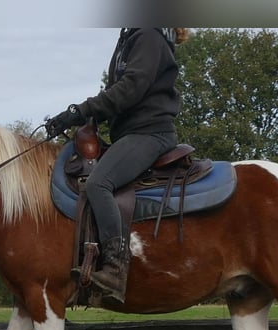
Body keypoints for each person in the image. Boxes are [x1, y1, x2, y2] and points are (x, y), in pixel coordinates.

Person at [45, 28, 189, 304]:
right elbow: (117, 93)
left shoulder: (149, 36)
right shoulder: (132, 37)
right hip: (130, 133)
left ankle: (115, 268)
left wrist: (82, 110)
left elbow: (130, 88)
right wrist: (86, 117)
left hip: (149, 133)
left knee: (99, 183)